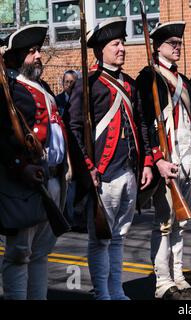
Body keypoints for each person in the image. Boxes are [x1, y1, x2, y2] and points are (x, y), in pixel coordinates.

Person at [68, 17, 153, 300]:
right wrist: (87, 167)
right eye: (116, 44)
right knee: (101, 239)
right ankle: (102, 292)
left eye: (123, 43)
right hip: (102, 174)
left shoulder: (128, 83)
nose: (122, 48)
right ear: (101, 49)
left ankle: (116, 290)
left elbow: (141, 124)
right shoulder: (88, 84)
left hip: (129, 171)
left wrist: (148, 163)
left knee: (119, 238)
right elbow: (75, 128)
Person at [136, 21, 191, 300]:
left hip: (189, 157)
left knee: (182, 222)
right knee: (164, 223)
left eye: (179, 43)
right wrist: (156, 159)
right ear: (157, 46)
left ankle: (178, 275)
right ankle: (163, 282)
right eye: (172, 44)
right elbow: (144, 122)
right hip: (168, 159)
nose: (177, 48)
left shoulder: (185, 81)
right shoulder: (147, 78)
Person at [0, 24, 70, 299]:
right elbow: (2, 138)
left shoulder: (40, 87)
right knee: (18, 256)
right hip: (24, 184)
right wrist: (20, 166)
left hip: (51, 179)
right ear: (18, 58)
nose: (39, 55)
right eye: (32, 52)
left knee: (40, 255)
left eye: (39, 50)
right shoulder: (10, 90)